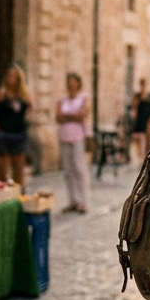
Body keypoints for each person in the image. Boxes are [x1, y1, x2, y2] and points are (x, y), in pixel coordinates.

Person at [0, 64, 32, 189]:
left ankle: (18, 195)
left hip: (19, 134)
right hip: (3, 134)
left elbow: (30, 108)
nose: (11, 78)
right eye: (9, 75)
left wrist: (24, 120)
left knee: (19, 169)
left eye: (14, 76)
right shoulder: (0, 94)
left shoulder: (24, 95)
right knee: (1, 169)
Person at [55, 72, 91, 213]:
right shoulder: (62, 99)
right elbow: (58, 117)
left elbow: (83, 114)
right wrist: (73, 115)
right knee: (67, 170)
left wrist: (67, 116)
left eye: (73, 81)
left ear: (78, 83)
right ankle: (72, 200)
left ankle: (83, 200)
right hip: (64, 136)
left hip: (78, 136)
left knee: (79, 168)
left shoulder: (84, 97)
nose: (71, 84)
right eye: (69, 81)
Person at [130, 78, 150, 157]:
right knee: (139, 139)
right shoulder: (137, 96)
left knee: (146, 139)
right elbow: (134, 109)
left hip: (147, 119)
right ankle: (140, 157)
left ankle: (144, 156)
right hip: (140, 120)